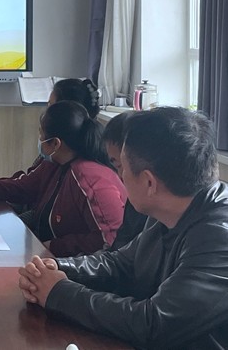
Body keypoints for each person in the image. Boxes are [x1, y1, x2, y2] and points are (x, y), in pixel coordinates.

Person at [18, 107, 228, 349]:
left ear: (149, 182)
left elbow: (153, 323)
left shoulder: (219, 237)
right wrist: (56, 268)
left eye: (122, 169)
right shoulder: (167, 206)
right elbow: (121, 263)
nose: (120, 177)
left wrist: (58, 292)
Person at [0, 101, 126, 256]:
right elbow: (22, 187)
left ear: (56, 143)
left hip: (74, 265)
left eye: (41, 135)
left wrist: (54, 247)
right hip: (45, 252)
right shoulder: (55, 163)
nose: (39, 140)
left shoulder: (90, 178)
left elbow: (109, 239)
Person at [11, 78, 101, 179]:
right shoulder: (58, 158)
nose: (46, 112)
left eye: (50, 106)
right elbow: (28, 182)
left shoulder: (72, 167)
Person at [101, 111, 147, 250]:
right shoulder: (135, 201)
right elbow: (120, 253)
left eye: (120, 166)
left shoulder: (158, 210)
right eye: (116, 166)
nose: (120, 175)